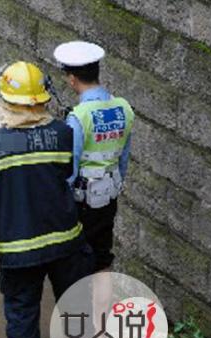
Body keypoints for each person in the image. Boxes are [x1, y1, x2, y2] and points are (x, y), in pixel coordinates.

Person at [0, 61, 93, 338]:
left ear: (5, 101)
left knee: (22, 309)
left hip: (19, 249)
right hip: (66, 240)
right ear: (43, 99)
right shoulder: (64, 134)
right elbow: (70, 175)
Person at [53, 40, 135, 274]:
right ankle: (102, 310)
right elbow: (123, 159)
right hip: (109, 195)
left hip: (82, 201)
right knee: (102, 258)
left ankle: (80, 308)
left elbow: (71, 166)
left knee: (76, 260)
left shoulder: (79, 116)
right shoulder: (124, 107)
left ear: (72, 79)